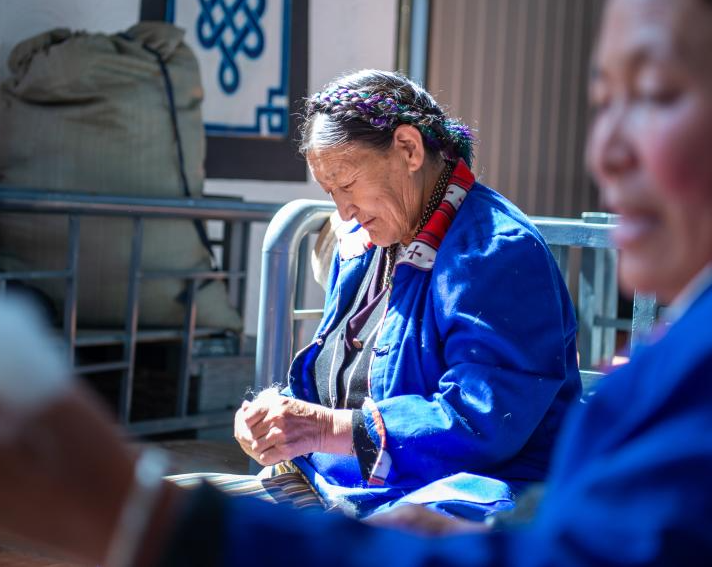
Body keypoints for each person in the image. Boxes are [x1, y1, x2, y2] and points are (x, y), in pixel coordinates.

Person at [0, 0, 712, 566]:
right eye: (601, 102)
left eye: (659, 93)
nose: (609, 148)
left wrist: (145, 517)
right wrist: (288, 414)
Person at [198, 69, 579, 519]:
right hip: (344, 487)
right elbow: (342, 376)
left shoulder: (495, 251)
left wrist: (324, 428)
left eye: (347, 185)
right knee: (177, 521)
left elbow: (483, 419)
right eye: (330, 192)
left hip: (461, 496)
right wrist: (275, 419)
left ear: (409, 149)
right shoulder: (367, 244)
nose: (343, 211)